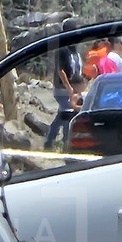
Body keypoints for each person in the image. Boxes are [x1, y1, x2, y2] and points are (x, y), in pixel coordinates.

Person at [44, 19, 85, 149]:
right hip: (63, 89)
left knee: (62, 115)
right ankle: (67, 143)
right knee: (68, 114)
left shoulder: (75, 50)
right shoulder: (62, 50)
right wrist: (69, 88)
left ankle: (49, 141)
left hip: (74, 89)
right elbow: (60, 71)